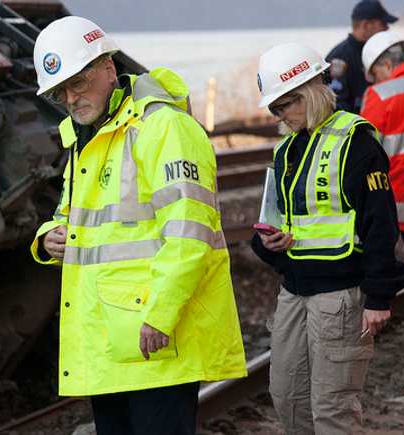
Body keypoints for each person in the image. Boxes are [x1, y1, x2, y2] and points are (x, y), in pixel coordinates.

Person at [30, 15, 246, 435]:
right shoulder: (88, 140)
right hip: (109, 337)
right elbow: (70, 217)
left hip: (155, 335)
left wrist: (160, 316)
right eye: (61, 92)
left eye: (78, 82)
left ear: (109, 68)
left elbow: (190, 232)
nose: (72, 99)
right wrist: (47, 239)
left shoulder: (162, 127)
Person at [253, 42, 404, 434]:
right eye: (274, 109)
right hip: (294, 288)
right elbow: (275, 216)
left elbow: (380, 223)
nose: (280, 116)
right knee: (288, 398)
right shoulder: (286, 149)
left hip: (340, 295)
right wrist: (268, 244)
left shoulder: (356, 140)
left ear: (310, 89)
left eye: (284, 105)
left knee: (332, 410)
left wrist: (378, 297)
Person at [360, 30, 404, 267]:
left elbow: (365, 153)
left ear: (385, 64)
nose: (376, 81)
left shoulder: (380, 95)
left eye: (375, 75)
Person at [326, 0, 398, 113]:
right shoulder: (339, 57)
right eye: (383, 24)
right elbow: (335, 103)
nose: (387, 28)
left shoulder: (381, 53)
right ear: (366, 25)